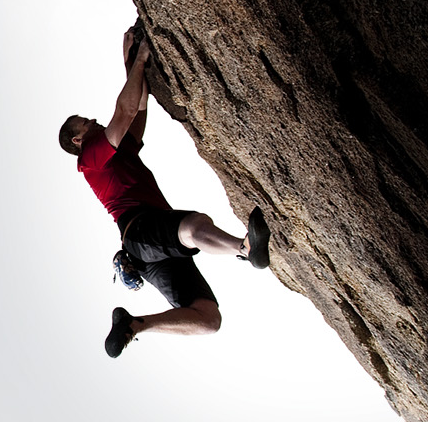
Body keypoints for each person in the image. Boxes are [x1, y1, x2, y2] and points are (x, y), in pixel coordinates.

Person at [59, 24, 272, 358]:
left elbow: (138, 110)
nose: (94, 121)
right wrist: (141, 59)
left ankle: (135, 325)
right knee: (191, 226)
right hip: (139, 229)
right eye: (86, 122)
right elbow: (124, 111)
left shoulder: (117, 152)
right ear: (77, 139)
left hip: (146, 251)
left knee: (208, 319)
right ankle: (245, 249)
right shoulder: (90, 156)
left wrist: (131, 65)